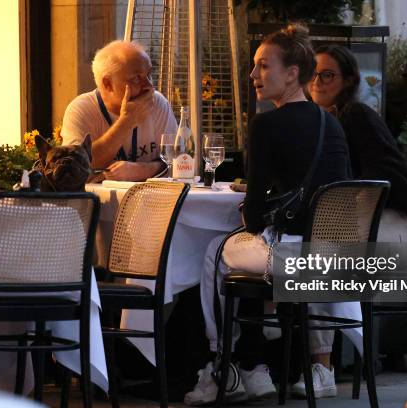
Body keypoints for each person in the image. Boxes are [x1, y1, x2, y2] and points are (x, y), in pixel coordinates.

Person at [185, 24, 352, 405]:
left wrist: (252, 210)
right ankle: (260, 367)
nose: (253, 75)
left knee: (215, 252)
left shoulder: (266, 125)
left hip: (291, 258)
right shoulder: (332, 123)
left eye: (263, 66)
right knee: (245, 252)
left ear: (292, 73)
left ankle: (223, 367)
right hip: (335, 257)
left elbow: (257, 219)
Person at [303, 44, 407, 397]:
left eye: (327, 74)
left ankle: (322, 368)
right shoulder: (317, 121)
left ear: (348, 80)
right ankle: (276, 360)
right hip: (361, 226)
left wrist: (343, 194)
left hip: (394, 227)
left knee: (316, 258)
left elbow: (386, 178)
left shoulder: (357, 116)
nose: (318, 81)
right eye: (313, 73)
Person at [61, 40, 177, 181]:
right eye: (136, 78)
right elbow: (75, 166)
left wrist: (141, 170)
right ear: (108, 84)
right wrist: (126, 122)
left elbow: (180, 162)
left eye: (149, 74)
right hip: (99, 201)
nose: (149, 86)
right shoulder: (81, 109)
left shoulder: (158, 104)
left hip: (153, 200)